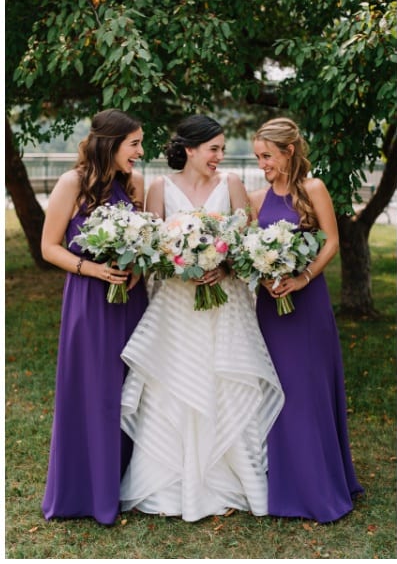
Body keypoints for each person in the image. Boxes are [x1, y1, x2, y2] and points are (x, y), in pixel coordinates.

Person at [118, 115, 284, 522]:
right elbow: (152, 248)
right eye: (214, 149)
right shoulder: (158, 187)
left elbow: (248, 243)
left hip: (225, 302)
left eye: (223, 150)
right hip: (176, 303)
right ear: (190, 149)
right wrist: (181, 266)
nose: (220, 157)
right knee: (177, 383)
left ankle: (229, 481)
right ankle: (169, 486)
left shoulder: (231, 186)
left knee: (225, 382)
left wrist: (222, 269)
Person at [249, 117, 364, 522]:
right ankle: (282, 483)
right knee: (277, 390)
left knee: (306, 388)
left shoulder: (313, 189)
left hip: (308, 300)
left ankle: (318, 485)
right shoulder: (258, 198)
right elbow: (250, 245)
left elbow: (331, 240)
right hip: (271, 305)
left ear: (289, 152)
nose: (262, 164)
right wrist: (264, 275)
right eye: (258, 157)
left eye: (267, 156)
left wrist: (302, 277)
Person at [40, 108, 149, 525]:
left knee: (129, 391)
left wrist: (136, 265)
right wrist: (94, 269)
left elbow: (142, 238)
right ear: (110, 143)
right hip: (89, 299)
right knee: (93, 391)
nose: (140, 151)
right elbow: (51, 247)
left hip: (129, 300)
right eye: (134, 143)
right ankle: (85, 491)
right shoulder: (72, 183)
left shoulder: (132, 183)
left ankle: (127, 484)